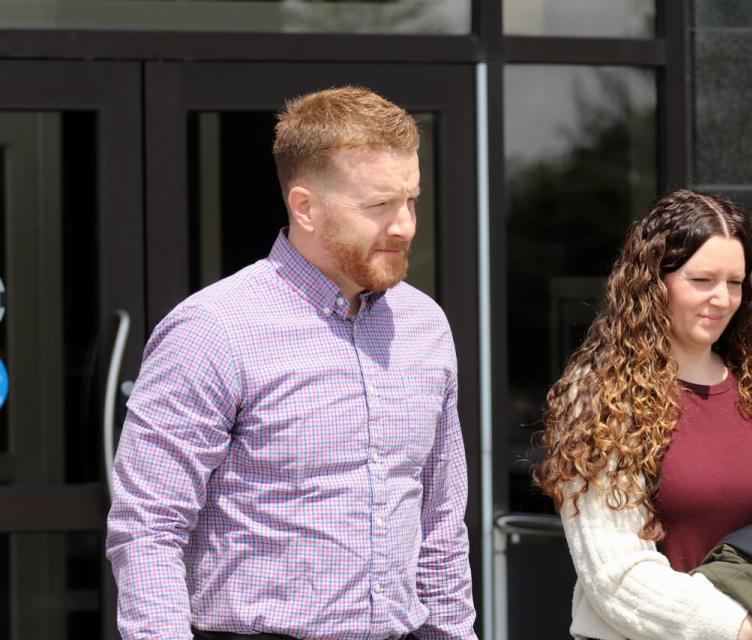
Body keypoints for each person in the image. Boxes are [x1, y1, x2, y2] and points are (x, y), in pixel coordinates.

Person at [106, 86, 476, 640]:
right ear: (304, 206)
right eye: (378, 206)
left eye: (411, 200)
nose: (404, 226)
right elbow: (148, 528)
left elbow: (440, 522)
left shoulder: (424, 327)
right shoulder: (213, 329)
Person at [534, 189, 752, 640]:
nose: (722, 299)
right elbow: (616, 576)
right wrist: (739, 629)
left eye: (735, 282)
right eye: (702, 280)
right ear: (656, 282)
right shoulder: (600, 399)